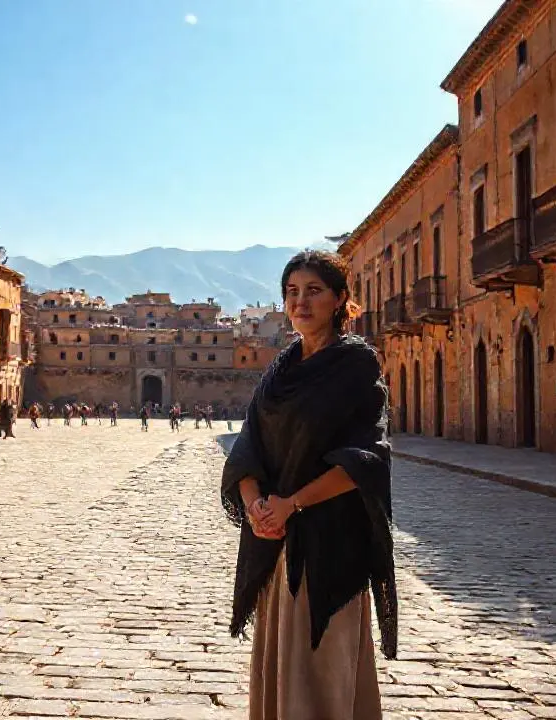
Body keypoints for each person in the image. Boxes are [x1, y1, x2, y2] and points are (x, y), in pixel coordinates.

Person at [220, 250, 395, 720]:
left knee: (323, 667)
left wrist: (292, 504)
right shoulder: (280, 369)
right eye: (292, 292)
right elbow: (248, 447)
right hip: (274, 540)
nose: (301, 301)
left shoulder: (355, 364)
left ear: (340, 299)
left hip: (331, 542)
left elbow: (367, 456)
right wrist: (258, 507)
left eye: (314, 291)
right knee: (284, 663)